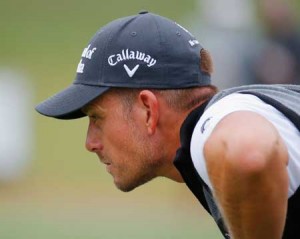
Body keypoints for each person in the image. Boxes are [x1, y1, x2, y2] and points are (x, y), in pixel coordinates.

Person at [35, 11, 300, 239]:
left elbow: (248, 155)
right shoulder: (245, 111)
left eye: (96, 117)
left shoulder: (214, 122)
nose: (89, 143)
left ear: (148, 110)